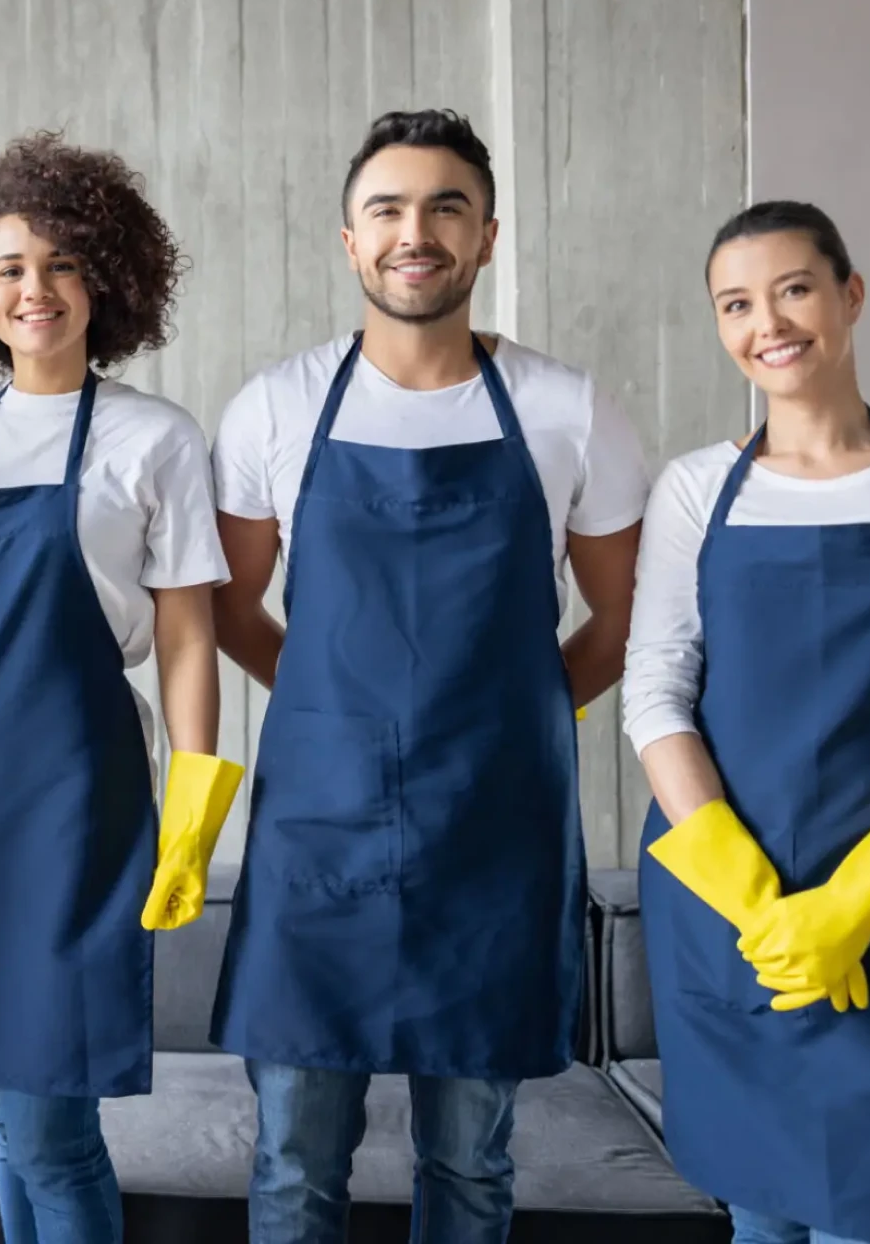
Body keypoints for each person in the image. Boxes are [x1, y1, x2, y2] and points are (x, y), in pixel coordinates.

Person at [207, 110, 649, 1243]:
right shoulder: (278, 406)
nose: (418, 232)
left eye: (447, 207)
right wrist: (322, 701)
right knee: (295, 1164)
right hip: (320, 831)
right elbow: (224, 603)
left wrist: (524, 711)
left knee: (470, 1165)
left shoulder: (569, 409)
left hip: (492, 829)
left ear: (488, 236)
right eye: (389, 210)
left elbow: (628, 612)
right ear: (349, 241)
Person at [0, 132, 243, 1244]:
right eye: (12, 266)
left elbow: (189, 641)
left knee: (53, 1129)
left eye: (62, 264)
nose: (36, 289)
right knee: (13, 1126)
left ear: (105, 279)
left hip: (76, 808)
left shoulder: (154, 439)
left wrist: (196, 817)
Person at [628, 201, 870, 1244]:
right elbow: (656, 690)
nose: (770, 321)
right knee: (760, 1215)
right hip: (727, 905)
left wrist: (854, 901)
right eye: (736, 303)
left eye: (794, 288)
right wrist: (760, 904)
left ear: (850, 295)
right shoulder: (695, 490)